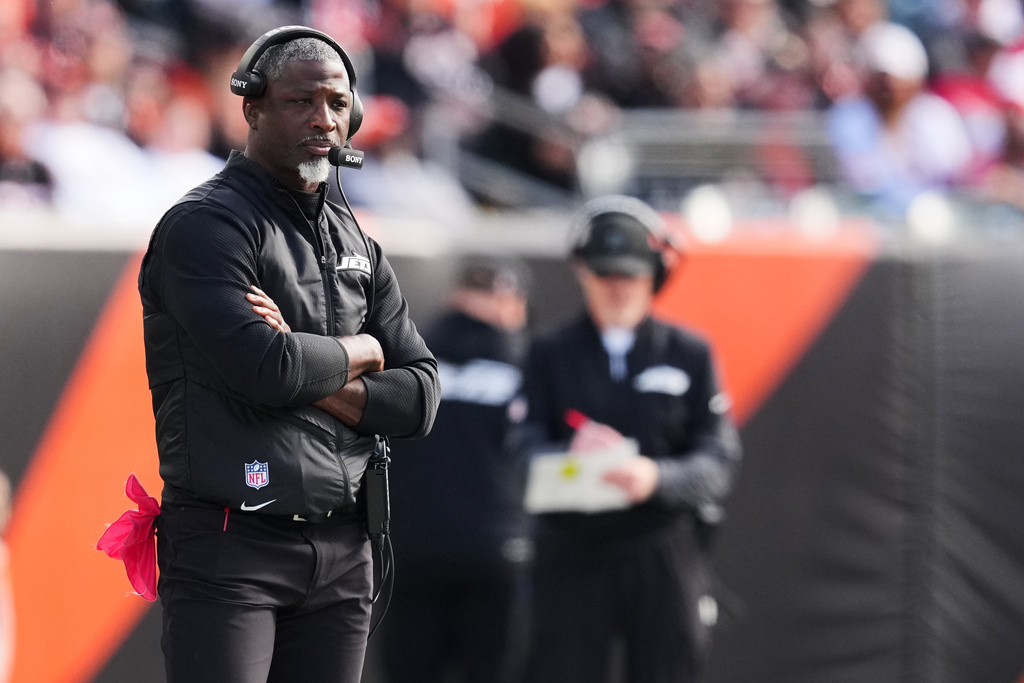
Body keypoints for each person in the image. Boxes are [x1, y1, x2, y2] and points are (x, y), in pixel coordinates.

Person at [137, 26, 440, 683]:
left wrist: (309, 361)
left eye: (336, 102)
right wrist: (363, 348)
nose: (323, 118)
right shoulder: (205, 227)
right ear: (251, 107)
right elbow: (264, 369)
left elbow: (420, 397)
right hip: (229, 543)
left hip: (343, 544)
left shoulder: (355, 235)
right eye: (300, 101)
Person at [516, 195, 742, 683]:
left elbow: (717, 458)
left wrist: (654, 476)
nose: (618, 287)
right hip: (572, 547)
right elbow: (522, 452)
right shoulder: (548, 354)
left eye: (631, 274)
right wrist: (574, 463)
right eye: (606, 274)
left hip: (660, 545)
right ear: (583, 271)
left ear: (655, 273)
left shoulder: (690, 353)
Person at [382, 254, 532, 683]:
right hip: (496, 550)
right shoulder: (524, 360)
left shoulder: (409, 351)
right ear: (511, 302)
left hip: (410, 548)